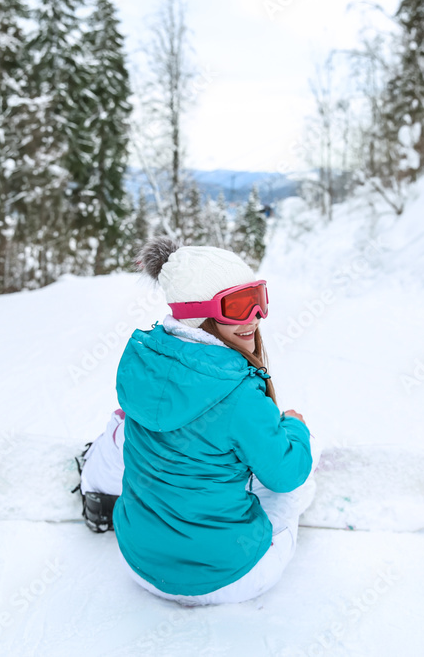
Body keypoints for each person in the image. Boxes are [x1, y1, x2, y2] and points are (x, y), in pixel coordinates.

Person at [76, 237, 321, 606]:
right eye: (239, 305)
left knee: (124, 427)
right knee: (291, 472)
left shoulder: (143, 364)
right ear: (200, 313)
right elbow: (286, 475)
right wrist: (296, 428)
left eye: (259, 299)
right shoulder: (240, 397)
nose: (255, 316)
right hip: (230, 576)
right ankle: (310, 466)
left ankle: (94, 482)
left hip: (139, 564)